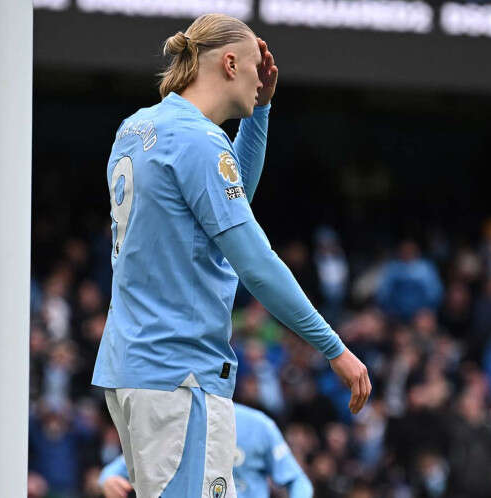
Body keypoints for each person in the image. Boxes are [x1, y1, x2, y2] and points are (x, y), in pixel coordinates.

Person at [91, 13, 371, 498]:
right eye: (254, 70)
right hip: (180, 373)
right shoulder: (199, 139)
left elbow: (228, 198)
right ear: (229, 63)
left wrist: (260, 110)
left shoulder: (136, 128)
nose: (260, 79)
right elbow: (255, 264)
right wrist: (334, 349)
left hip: (133, 364)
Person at [98, 403, 313, 498]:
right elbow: (113, 471)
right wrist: (108, 481)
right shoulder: (174, 424)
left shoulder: (257, 425)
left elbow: (297, 480)